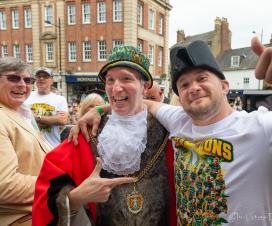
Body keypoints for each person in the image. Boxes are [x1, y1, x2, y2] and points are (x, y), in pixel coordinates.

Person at [70, 37, 272, 225]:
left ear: (225, 86)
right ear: (179, 97)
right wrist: (99, 108)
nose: (193, 88)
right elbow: (137, 101)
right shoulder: (179, 121)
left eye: (202, 78)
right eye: (184, 84)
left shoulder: (264, 127)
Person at [32, 46, 176, 226]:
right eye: (110, 80)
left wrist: (101, 108)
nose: (116, 88)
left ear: (145, 86)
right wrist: (75, 198)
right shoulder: (87, 132)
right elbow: (45, 191)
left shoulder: (169, 132)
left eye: (126, 78)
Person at [0, 57, 52, 226]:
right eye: (14, 78)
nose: (22, 84)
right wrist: (59, 184)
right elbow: (4, 185)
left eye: (28, 80)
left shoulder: (21, 113)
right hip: (22, 219)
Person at [25, 67, 68, 147]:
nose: (41, 78)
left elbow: (62, 120)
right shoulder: (27, 96)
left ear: (51, 80)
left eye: (45, 76)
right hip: (30, 147)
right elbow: (22, 117)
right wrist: (53, 118)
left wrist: (36, 117)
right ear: (35, 80)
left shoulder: (60, 99)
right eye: (39, 76)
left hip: (52, 146)